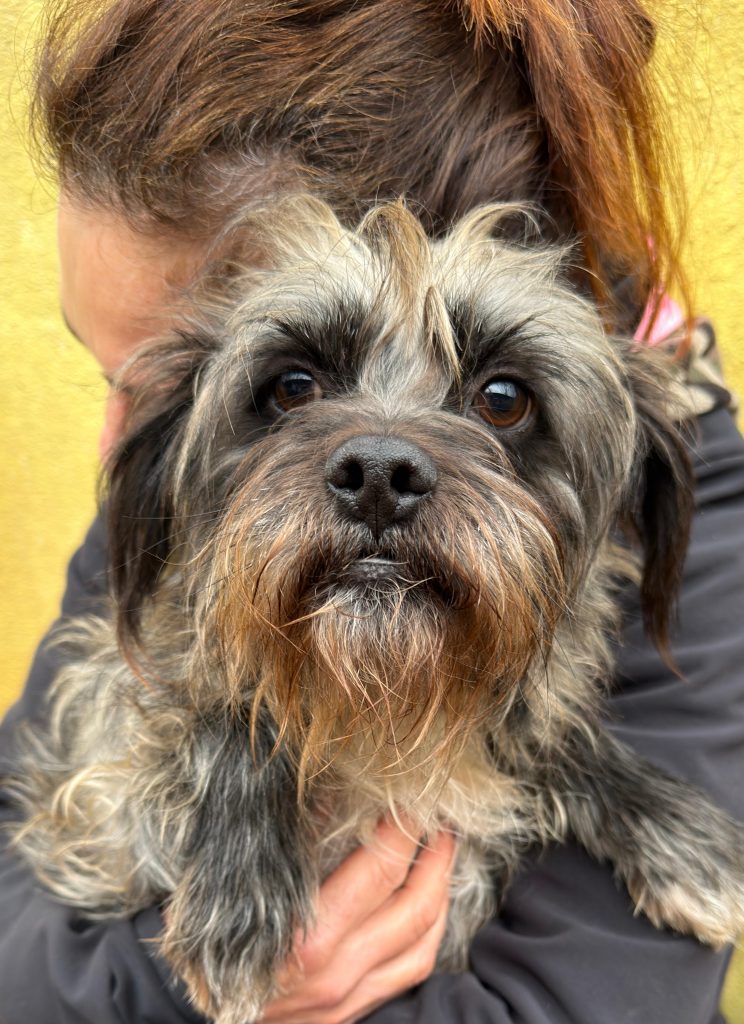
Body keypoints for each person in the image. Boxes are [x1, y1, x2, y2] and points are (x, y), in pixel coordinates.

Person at [1, 1, 743, 1022]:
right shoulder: (188, 467)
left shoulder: (683, 491)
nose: (113, 447)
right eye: (291, 390)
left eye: (496, 403)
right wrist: (181, 959)